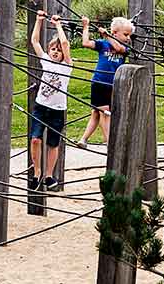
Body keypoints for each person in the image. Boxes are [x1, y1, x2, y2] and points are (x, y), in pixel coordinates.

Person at [28, 10, 72, 192]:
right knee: (35, 140)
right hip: (41, 107)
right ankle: (36, 172)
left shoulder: (67, 66)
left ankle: (48, 175)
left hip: (57, 109)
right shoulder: (46, 61)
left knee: (53, 144)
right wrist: (39, 21)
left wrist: (58, 25)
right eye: (53, 49)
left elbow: (65, 43)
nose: (56, 52)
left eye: (59, 50)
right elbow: (34, 42)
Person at [76, 15, 133, 147]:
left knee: (96, 113)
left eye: (129, 35)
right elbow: (85, 43)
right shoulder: (103, 44)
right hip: (100, 83)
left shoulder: (126, 48)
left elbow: (118, 49)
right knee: (105, 112)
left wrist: (107, 36)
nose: (128, 38)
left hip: (114, 85)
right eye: (125, 34)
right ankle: (109, 141)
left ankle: (84, 139)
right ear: (114, 33)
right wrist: (86, 26)